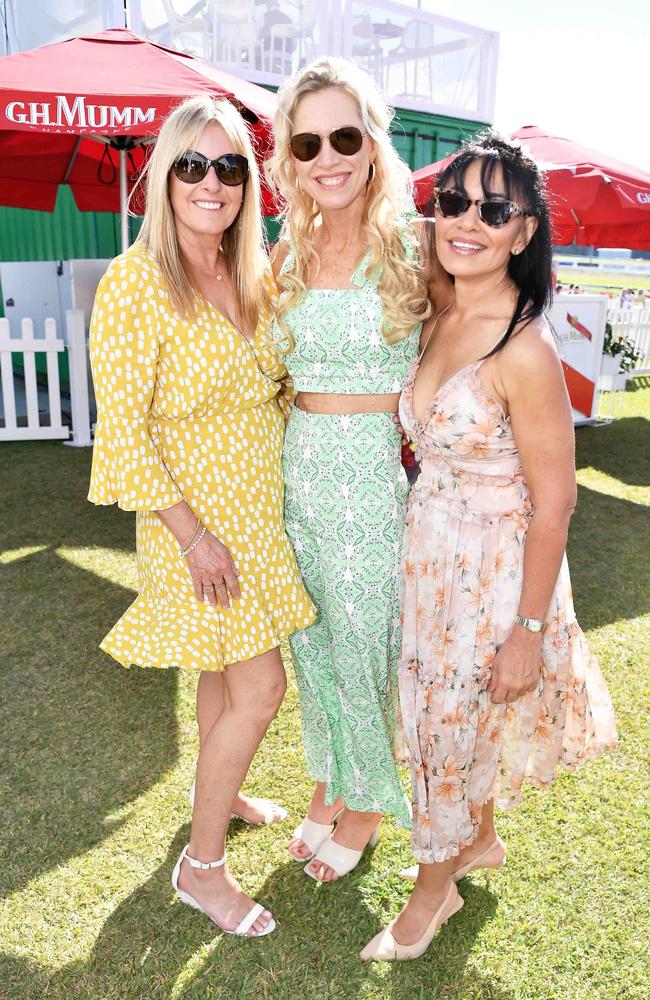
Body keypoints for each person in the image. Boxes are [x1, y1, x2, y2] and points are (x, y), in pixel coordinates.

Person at [361, 132, 617, 961]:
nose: (468, 219)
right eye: (455, 202)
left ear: (525, 232)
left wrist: (529, 632)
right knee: (447, 721)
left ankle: (432, 892)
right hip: (429, 552)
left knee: (446, 727)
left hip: (494, 574)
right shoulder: (442, 301)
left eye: (494, 209)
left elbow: (558, 501)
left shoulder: (527, 349)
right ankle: (475, 841)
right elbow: (378, 229)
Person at [88, 95, 315, 937]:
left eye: (228, 166)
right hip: (196, 528)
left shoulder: (252, 273)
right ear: (163, 180)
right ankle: (202, 867)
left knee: (225, 676)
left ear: (248, 181)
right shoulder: (136, 283)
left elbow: (276, 390)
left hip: (258, 514)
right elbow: (124, 431)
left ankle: (217, 798)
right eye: (192, 165)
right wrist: (194, 537)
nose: (211, 182)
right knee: (263, 686)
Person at [266, 56, 449, 883]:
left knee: (365, 646)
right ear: (290, 157)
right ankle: (330, 782)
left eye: (345, 135)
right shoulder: (287, 249)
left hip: (372, 483)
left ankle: (369, 805)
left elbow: (474, 336)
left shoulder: (415, 247)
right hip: (295, 474)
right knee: (313, 645)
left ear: (373, 141)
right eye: (309, 143)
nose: (327, 157)